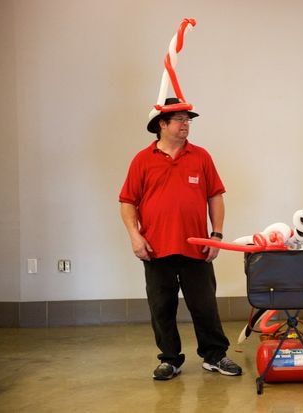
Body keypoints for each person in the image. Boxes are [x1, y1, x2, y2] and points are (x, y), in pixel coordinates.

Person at [119, 97, 242, 380]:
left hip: (196, 248)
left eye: (188, 120)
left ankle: (215, 356)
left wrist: (216, 235)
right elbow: (127, 202)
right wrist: (135, 236)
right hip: (156, 248)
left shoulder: (201, 156)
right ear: (162, 124)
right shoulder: (142, 160)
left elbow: (215, 196)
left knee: (205, 306)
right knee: (161, 308)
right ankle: (170, 360)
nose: (186, 124)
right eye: (180, 120)